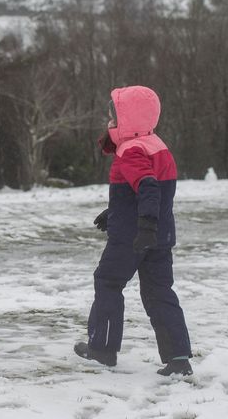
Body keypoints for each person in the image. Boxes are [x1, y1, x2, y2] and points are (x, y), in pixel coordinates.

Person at [74, 86, 193, 376]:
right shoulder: (157, 144)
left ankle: (102, 349)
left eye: (115, 114)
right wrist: (115, 211)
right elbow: (142, 192)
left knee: (107, 282)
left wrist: (144, 226)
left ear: (129, 118)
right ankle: (178, 359)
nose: (111, 119)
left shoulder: (130, 150)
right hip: (159, 236)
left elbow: (148, 188)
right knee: (159, 292)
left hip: (133, 237)